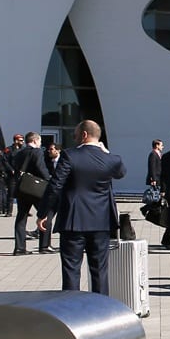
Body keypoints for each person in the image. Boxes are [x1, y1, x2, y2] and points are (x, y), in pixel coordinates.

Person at [37, 120, 126, 296]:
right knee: (100, 270)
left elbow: (55, 185)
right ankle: (101, 309)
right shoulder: (111, 159)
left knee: (71, 268)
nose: (74, 136)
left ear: (84, 134)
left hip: (73, 220)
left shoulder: (70, 155)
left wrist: (43, 213)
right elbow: (121, 172)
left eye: (76, 134)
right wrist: (106, 152)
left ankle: (72, 310)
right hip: (101, 222)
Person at [12, 132, 52, 254]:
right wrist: (49, 180)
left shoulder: (20, 152)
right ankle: (44, 246)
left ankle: (19, 248)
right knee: (45, 214)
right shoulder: (37, 152)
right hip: (36, 189)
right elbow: (41, 168)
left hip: (22, 189)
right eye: (39, 141)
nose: (40, 144)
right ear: (35, 141)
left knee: (21, 218)